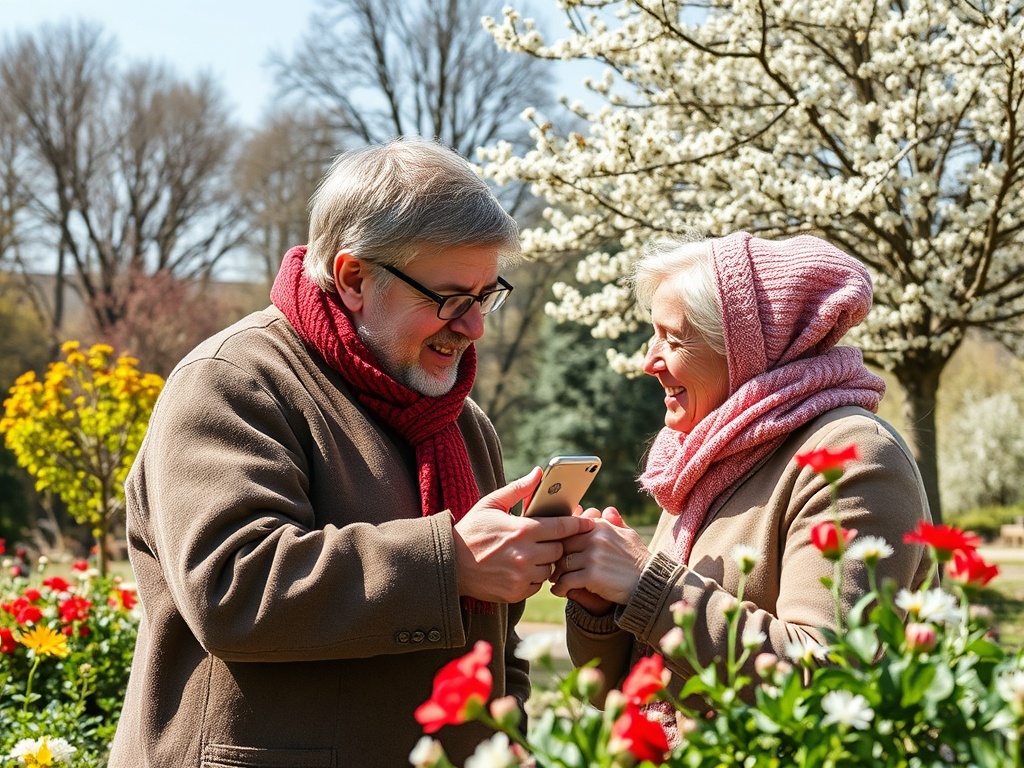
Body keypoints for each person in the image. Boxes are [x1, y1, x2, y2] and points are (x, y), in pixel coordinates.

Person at [108, 137, 595, 767]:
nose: (473, 327)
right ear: (354, 277)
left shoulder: (462, 422)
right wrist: (448, 564)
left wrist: (509, 740)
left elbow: (496, 646)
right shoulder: (233, 380)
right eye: (448, 298)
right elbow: (231, 588)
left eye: (484, 297)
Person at [550, 231, 932, 722]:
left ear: (745, 350)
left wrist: (646, 582)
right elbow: (628, 692)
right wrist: (602, 609)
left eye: (673, 338)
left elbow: (829, 685)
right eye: (653, 334)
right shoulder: (698, 461)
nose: (649, 362)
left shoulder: (852, 455)